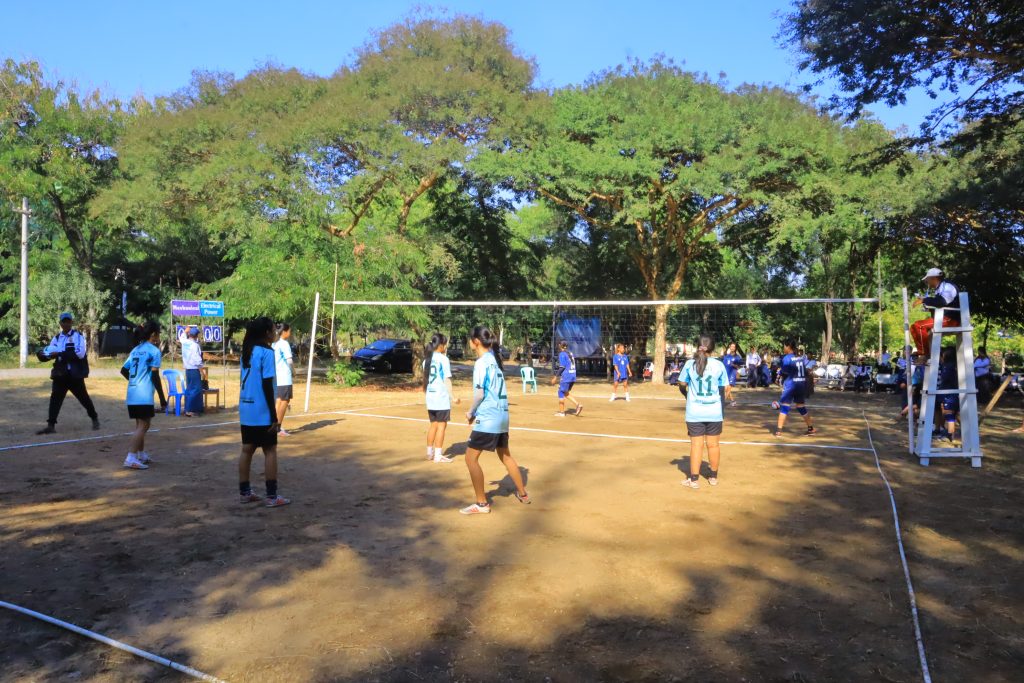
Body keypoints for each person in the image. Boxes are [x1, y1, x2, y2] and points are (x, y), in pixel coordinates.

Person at [460, 325, 529, 515]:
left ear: (476, 342)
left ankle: (482, 504)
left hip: (489, 417)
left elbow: (479, 394)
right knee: (505, 455)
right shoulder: (493, 360)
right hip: (502, 416)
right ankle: (523, 494)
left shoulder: (482, 362)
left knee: (470, 458)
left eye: (470, 339)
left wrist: (471, 412)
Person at [238, 317, 290, 508]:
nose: (275, 333)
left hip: (246, 408)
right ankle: (272, 496)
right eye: (273, 330)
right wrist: (274, 416)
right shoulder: (267, 352)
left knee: (247, 449)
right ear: (266, 333)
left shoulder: (247, 350)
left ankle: (245, 492)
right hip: (261, 409)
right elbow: (267, 385)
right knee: (270, 450)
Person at [679, 334, 731, 489]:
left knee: (696, 446)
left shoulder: (690, 364)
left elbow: (682, 384)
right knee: (713, 445)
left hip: (695, 411)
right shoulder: (719, 365)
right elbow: (726, 389)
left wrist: (687, 395)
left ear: (698, 346)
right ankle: (713, 477)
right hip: (714, 411)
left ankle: (694, 480)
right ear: (712, 348)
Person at [35, 312, 100, 435]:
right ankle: (51, 426)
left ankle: (94, 418)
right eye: (64, 321)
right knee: (55, 399)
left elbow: (80, 354)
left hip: (74, 375)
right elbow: (51, 353)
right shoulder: (56, 338)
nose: (66, 324)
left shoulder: (78, 336)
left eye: (68, 321)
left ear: (71, 322)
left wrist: (59, 353)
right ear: (60, 323)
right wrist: (43, 355)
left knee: (84, 398)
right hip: (60, 374)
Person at [120, 322, 168, 469]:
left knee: (139, 425)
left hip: (132, 393)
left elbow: (124, 370)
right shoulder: (154, 351)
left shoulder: (136, 350)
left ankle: (141, 454)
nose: (159, 337)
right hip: (143, 394)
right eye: (158, 334)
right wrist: (162, 399)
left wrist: (134, 381)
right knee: (144, 425)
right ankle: (131, 457)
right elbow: (155, 376)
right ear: (153, 334)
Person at [423, 332, 460, 463]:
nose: (445, 347)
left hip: (430, 396)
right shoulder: (443, 359)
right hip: (441, 397)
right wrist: (453, 397)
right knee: (441, 426)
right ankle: (438, 455)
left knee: (433, 425)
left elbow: (426, 380)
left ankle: (429, 453)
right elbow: (446, 380)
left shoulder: (426, 360)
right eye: (445, 344)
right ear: (440, 345)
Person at [911, 268, 960, 357]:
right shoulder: (940, 287)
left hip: (951, 320)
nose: (926, 282)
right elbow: (940, 304)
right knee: (913, 327)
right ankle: (923, 352)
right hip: (943, 318)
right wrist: (928, 306)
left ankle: (924, 355)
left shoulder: (947, 286)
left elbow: (941, 302)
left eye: (927, 279)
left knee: (919, 326)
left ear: (934, 278)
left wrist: (924, 300)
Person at [772, 339, 816, 437]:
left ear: (788, 347)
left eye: (784, 346)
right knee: (801, 406)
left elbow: (784, 372)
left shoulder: (787, 358)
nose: (783, 348)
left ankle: (779, 431)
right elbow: (803, 371)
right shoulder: (800, 358)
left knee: (784, 407)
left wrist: (779, 372)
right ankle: (811, 428)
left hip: (791, 385)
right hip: (800, 385)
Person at [178, 325, 206, 417]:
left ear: (189, 334)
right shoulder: (195, 345)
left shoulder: (185, 342)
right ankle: (190, 410)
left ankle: (187, 408)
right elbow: (197, 360)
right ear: (196, 336)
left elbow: (181, 337)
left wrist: (185, 331)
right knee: (196, 390)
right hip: (194, 369)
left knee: (189, 389)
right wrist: (202, 371)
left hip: (187, 369)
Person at [272, 323, 294, 436]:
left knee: (279, 400)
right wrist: (294, 371)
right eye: (289, 331)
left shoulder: (274, 344)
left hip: (276, 377)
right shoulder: (284, 344)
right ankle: (278, 428)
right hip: (284, 377)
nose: (290, 333)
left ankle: (274, 426)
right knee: (285, 401)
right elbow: (289, 360)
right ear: (284, 332)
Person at [553, 340, 583, 417]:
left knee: (560, 392)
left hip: (566, 376)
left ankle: (562, 412)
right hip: (573, 375)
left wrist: (555, 377)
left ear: (560, 345)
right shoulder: (570, 353)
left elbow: (562, 367)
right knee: (565, 392)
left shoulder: (562, 354)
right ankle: (578, 405)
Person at [937, 346, 960, 443]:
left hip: (949, 394)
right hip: (949, 393)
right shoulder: (950, 365)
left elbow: (945, 377)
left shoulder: (949, 366)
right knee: (949, 413)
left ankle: (950, 434)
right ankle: (949, 432)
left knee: (949, 413)